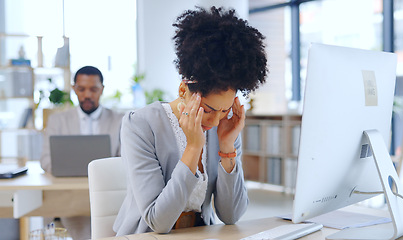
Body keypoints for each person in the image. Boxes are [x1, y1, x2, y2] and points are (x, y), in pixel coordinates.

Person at [113, 6, 267, 235]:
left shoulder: (224, 128)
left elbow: (231, 215)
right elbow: (158, 222)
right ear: (183, 89)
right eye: (208, 110)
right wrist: (194, 147)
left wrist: (226, 148)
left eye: (224, 110)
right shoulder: (140, 125)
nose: (215, 122)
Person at [40, 65, 124, 240]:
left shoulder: (120, 121)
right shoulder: (57, 121)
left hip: (106, 195)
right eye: (81, 89)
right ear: (74, 89)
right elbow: (46, 160)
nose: (87, 95)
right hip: (69, 195)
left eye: (93, 89)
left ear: (102, 90)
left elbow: (124, 161)